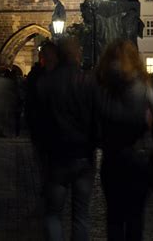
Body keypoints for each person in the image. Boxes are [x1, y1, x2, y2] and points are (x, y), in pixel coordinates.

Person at [95, 40, 153, 241]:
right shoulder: (143, 86)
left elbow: (96, 124)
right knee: (135, 218)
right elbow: (150, 120)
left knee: (114, 218)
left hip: (112, 158)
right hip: (139, 158)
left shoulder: (102, 87)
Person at [35, 38, 95, 241]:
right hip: (83, 156)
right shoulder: (87, 81)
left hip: (56, 157)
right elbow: (95, 119)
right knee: (81, 214)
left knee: (53, 214)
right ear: (77, 55)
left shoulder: (46, 82)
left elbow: (38, 122)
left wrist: (42, 151)